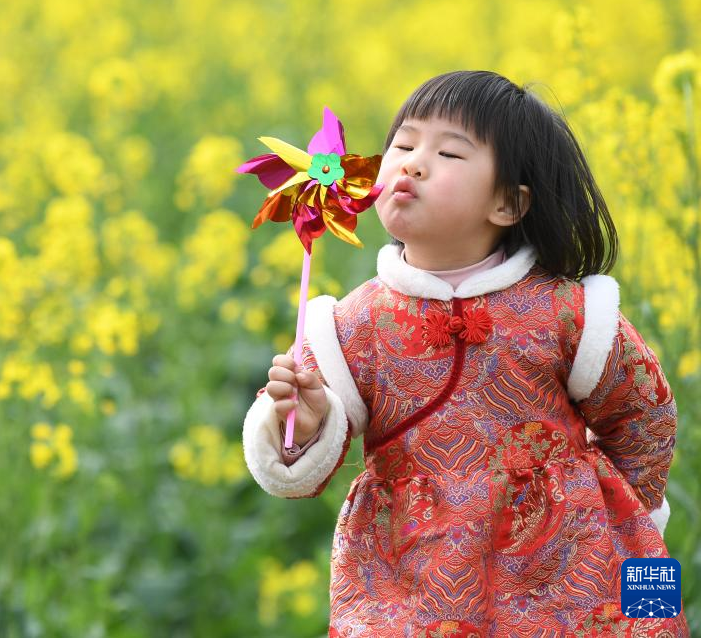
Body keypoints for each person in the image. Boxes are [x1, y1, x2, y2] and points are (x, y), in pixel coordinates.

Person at [242, 70, 688, 636]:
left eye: (448, 153)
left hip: (570, 568)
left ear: (508, 204)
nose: (412, 164)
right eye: (403, 145)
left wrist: (630, 524)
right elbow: (301, 474)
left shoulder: (570, 311)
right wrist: (303, 424)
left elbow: (644, 413)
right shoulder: (348, 325)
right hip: (412, 577)